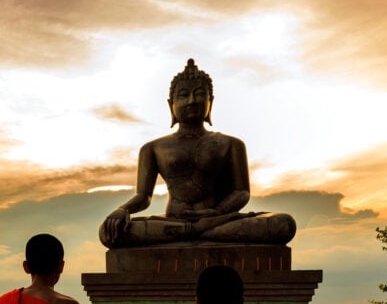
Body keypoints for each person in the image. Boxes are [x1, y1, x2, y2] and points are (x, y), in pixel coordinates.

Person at [99, 58, 296, 248]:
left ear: (211, 102)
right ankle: (199, 232)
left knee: (283, 224)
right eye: (183, 95)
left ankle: (192, 232)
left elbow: (242, 192)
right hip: (173, 221)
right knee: (109, 231)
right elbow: (144, 196)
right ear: (171, 104)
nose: (192, 101)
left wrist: (216, 212)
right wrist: (122, 210)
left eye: (200, 94)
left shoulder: (231, 144)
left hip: (219, 220)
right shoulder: (153, 148)